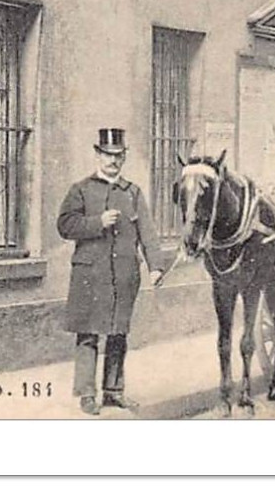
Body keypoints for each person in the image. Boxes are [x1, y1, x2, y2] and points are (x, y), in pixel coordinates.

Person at [56, 127, 164, 415]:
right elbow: (64, 225)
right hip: (90, 276)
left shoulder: (133, 193)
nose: (112, 161)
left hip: (123, 277)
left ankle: (114, 392)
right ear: (97, 155)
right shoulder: (80, 189)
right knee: (88, 334)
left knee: (118, 333)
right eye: (107, 155)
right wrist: (97, 222)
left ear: (124, 157)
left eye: (118, 156)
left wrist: (156, 266)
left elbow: (148, 233)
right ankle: (87, 394)